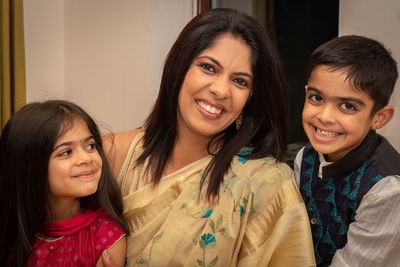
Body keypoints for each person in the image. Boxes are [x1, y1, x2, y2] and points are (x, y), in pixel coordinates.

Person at [103, 8, 315, 267]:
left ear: (249, 99)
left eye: (240, 81)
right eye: (208, 67)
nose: (220, 89)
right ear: (179, 68)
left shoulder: (265, 184)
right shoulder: (111, 155)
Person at [294, 35, 400, 266]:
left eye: (347, 106)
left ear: (379, 118)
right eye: (316, 98)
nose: (324, 116)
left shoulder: (387, 191)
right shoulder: (305, 158)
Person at [0, 100, 129, 266]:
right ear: (30, 166)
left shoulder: (106, 237)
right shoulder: (11, 231)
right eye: (66, 152)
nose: (86, 158)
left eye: (90, 146)